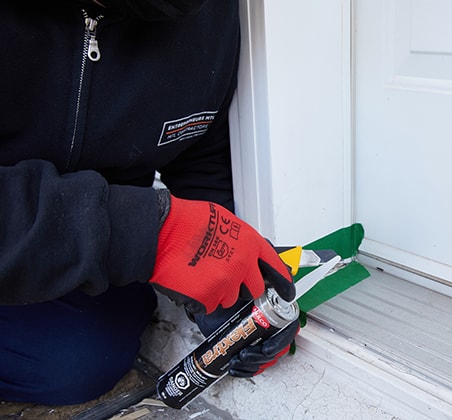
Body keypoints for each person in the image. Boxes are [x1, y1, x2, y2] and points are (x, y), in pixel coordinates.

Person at [0, 0, 299, 406]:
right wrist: (140, 232)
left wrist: (239, 293)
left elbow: (201, 154)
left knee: (77, 360)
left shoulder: (210, 14)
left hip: (73, 247)